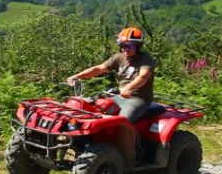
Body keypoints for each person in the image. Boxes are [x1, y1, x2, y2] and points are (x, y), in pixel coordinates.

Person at [67, 26, 157, 164]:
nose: (125, 49)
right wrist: (77, 76)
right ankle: (87, 149)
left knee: (122, 123)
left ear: (138, 46)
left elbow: (143, 76)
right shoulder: (118, 57)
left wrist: (127, 88)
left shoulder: (146, 59)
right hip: (119, 97)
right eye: (123, 45)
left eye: (130, 45)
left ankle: (129, 161)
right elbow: (99, 69)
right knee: (92, 113)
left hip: (138, 99)